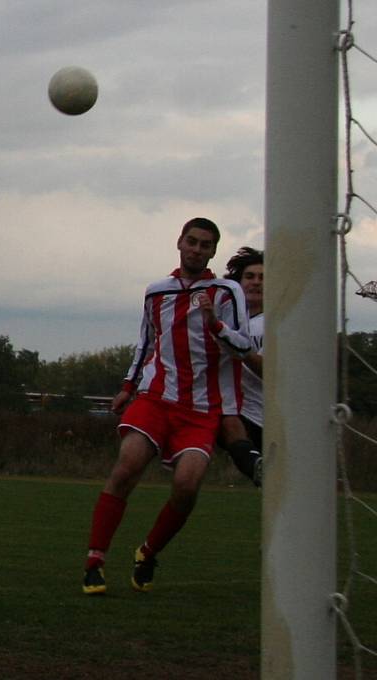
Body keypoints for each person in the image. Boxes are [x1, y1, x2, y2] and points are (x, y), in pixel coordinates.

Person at [82, 217, 251, 596]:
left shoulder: (226, 292)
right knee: (127, 466)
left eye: (205, 244)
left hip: (202, 409)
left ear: (213, 251)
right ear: (179, 242)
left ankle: (148, 552)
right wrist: (128, 386)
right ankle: (95, 561)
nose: (196, 249)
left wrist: (214, 324)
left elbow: (245, 347)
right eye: (191, 241)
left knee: (187, 485)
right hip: (156, 398)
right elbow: (145, 344)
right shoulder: (156, 292)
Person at [219, 247, 264, 486]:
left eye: (263, 277)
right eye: (250, 277)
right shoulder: (227, 318)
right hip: (235, 408)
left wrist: (240, 348)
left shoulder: (275, 324)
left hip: (264, 416)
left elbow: (271, 372)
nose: (256, 282)